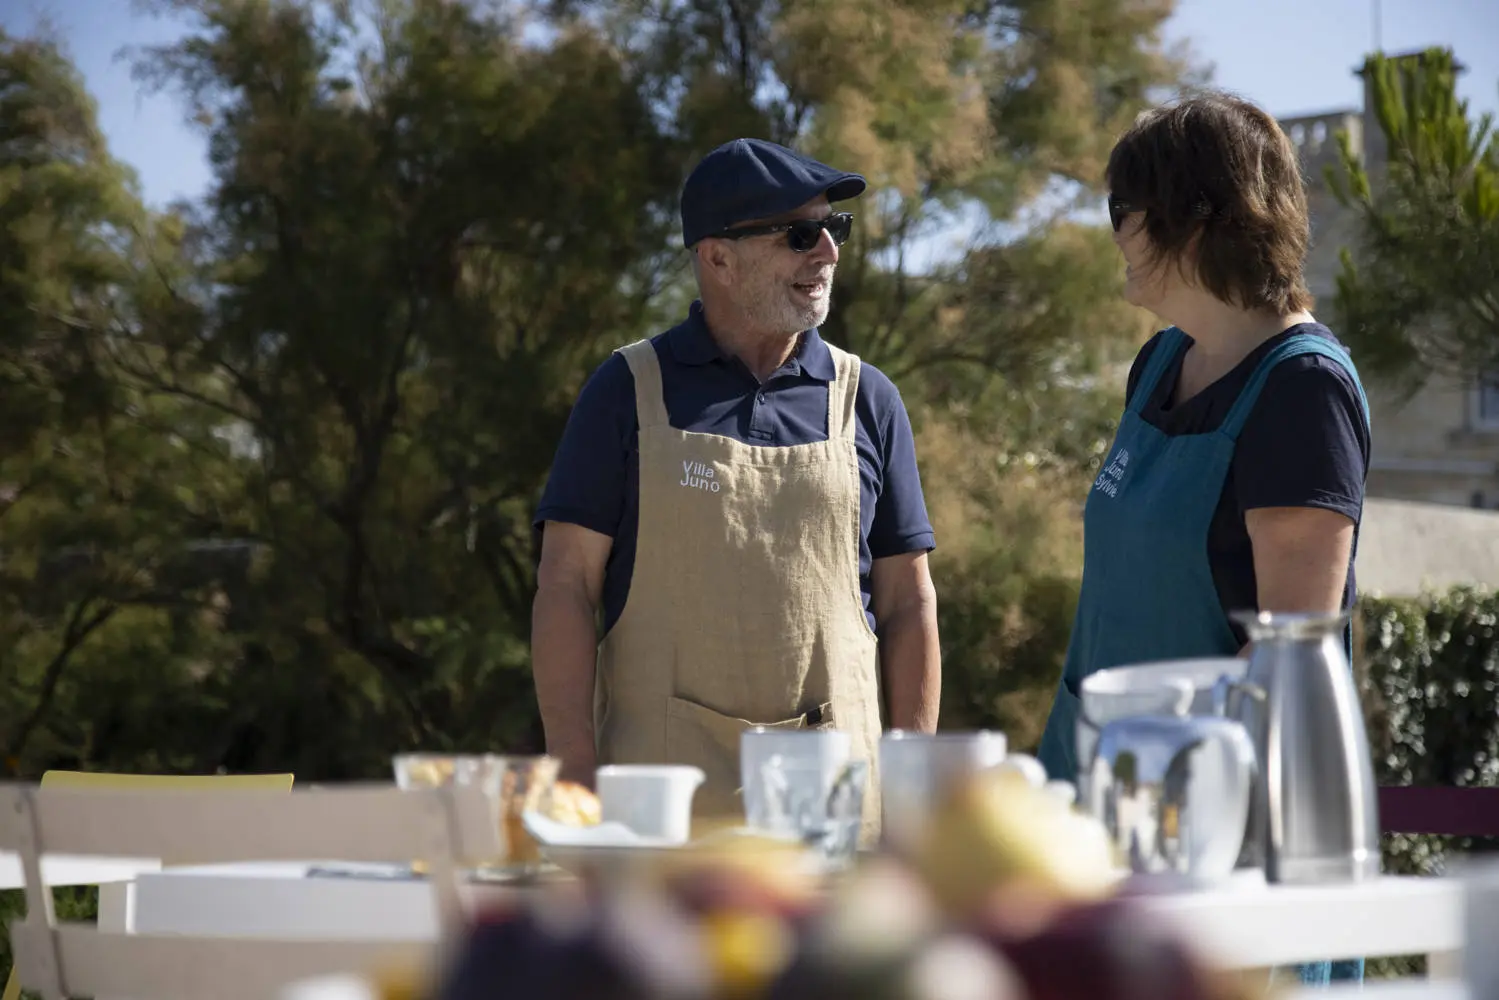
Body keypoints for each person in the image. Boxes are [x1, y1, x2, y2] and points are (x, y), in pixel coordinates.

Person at [1033, 93, 1370, 986]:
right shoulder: (1157, 364)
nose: (1112, 232)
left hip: (1225, 843)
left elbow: (1290, 667)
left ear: (1187, 218)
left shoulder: (1303, 390)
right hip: (1096, 800)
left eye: (1121, 209)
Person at [530, 138, 941, 832]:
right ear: (716, 257)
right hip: (661, 815)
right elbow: (565, 585)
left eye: (833, 230)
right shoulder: (627, 391)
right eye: (801, 235)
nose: (828, 254)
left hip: (840, 815)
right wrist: (572, 774)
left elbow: (908, 603)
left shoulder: (866, 399)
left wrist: (916, 778)